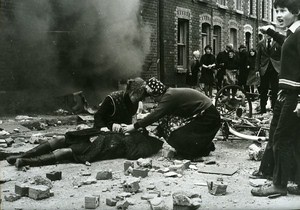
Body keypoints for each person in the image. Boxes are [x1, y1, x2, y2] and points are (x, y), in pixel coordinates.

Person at [6, 78, 163, 168]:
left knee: (73, 150)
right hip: (100, 131)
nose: (139, 100)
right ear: (131, 92)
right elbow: (99, 117)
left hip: (114, 138)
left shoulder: (135, 103)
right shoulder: (112, 99)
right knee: (64, 139)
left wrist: (125, 128)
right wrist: (109, 126)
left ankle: (25, 161)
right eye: (138, 96)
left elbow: (131, 122)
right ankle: (21, 155)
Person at [251, 0, 300, 196]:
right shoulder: (292, 33)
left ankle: (279, 184)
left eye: (283, 11)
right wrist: (271, 32)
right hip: (287, 93)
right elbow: (288, 45)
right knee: (289, 137)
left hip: (295, 96)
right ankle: (294, 181)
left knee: (282, 138)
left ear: (296, 12)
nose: (279, 15)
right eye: (276, 11)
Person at [123, 77, 221, 160]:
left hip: (209, 117)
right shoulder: (169, 93)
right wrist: (152, 132)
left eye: (153, 97)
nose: (154, 100)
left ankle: (198, 150)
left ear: (157, 93)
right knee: (174, 131)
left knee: (176, 135)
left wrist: (134, 126)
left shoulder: (169, 97)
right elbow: (163, 119)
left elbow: (155, 115)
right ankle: (202, 147)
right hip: (205, 115)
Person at [255, 25, 281, 114]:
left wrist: (281, 69)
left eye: (269, 33)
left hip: (275, 69)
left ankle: (274, 108)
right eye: (266, 33)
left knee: (275, 89)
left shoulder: (278, 43)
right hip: (264, 69)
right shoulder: (261, 43)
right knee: (263, 89)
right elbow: (257, 57)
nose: (268, 35)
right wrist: (257, 70)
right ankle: (263, 109)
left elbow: (282, 57)